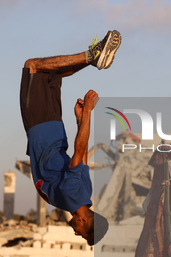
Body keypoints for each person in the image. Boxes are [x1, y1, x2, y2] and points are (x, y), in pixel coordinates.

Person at [19, 31, 121, 245]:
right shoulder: (71, 197)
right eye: (82, 234)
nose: (76, 234)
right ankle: (92, 56)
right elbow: (80, 149)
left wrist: (79, 121)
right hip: (42, 129)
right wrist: (88, 113)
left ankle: (96, 59)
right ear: (83, 220)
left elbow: (82, 154)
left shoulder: (85, 193)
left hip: (55, 129)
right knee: (33, 67)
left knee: (52, 74)